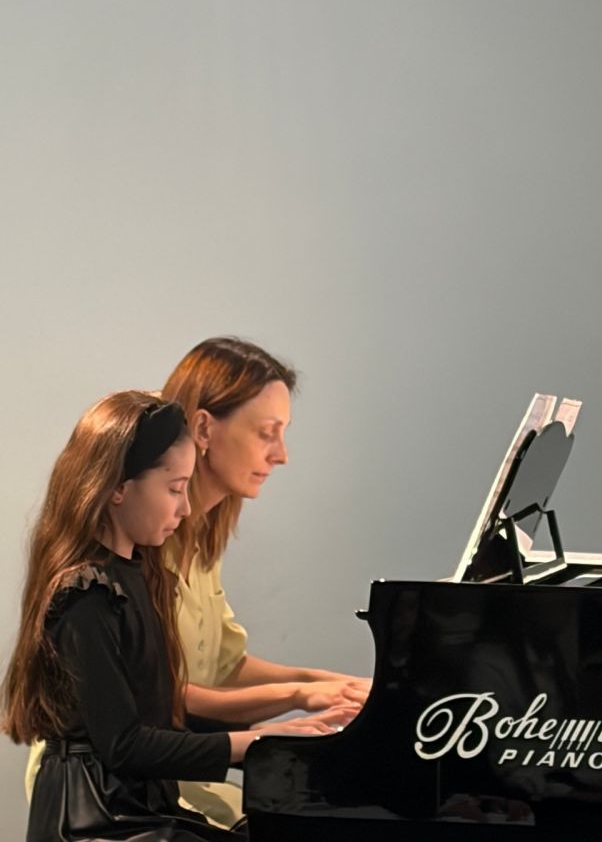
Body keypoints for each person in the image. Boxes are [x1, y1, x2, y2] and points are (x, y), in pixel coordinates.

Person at [5, 392, 347, 842]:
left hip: (136, 805)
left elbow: (159, 717)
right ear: (117, 487)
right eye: (174, 488)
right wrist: (254, 743)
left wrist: (272, 737)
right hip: (95, 818)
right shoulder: (85, 595)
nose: (185, 508)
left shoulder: (139, 577)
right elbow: (124, 744)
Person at [155, 336, 370, 826]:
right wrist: (296, 697)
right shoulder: (145, 542)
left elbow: (224, 666)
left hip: (186, 767)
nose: (282, 455)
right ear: (203, 429)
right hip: (131, 782)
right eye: (266, 433)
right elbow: (158, 693)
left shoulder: (200, 542)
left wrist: (331, 683)